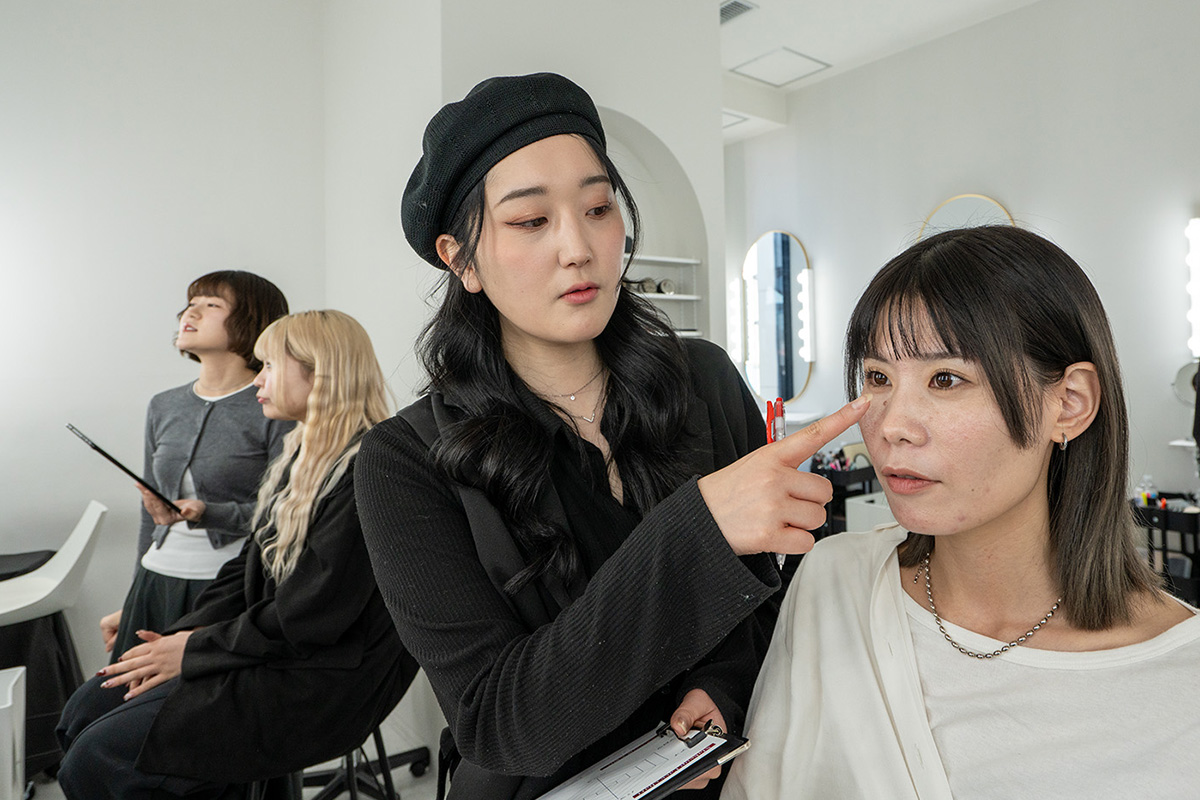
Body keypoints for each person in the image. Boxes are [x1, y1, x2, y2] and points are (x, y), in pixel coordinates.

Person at [354, 71, 867, 800]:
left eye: (598, 208)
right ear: (461, 259)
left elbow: (772, 604)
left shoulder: (704, 381)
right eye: (531, 221)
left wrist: (723, 686)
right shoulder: (407, 462)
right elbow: (501, 724)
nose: (579, 246)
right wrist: (697, 531)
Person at [722, 226, 1200, 800]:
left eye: (945, 379)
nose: (892, 425)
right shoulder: (834, 581)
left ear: (1069, 404)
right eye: (878, 378)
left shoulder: (1181, 681)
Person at [57, 310, 416, 799]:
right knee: (81, 713)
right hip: (276, 649)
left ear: (320, 372)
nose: (257, 381)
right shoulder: (301, 457)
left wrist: (196, 650)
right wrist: (180, 636)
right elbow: (245, 569)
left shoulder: (370, 468)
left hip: (320, 676)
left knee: (98, 757)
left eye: (269, 366)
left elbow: (312, 613)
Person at [103, 270, 293, 659]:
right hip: (155, 580)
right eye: (190, 304)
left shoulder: (276, 405)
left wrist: (209, 512)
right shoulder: (164, 405)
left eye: (211, 304)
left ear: (251, 319)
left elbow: (285, 512)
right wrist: (132, 595)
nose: (189, 313)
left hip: (228, 588)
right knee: (115, 691)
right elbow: (150, 514)